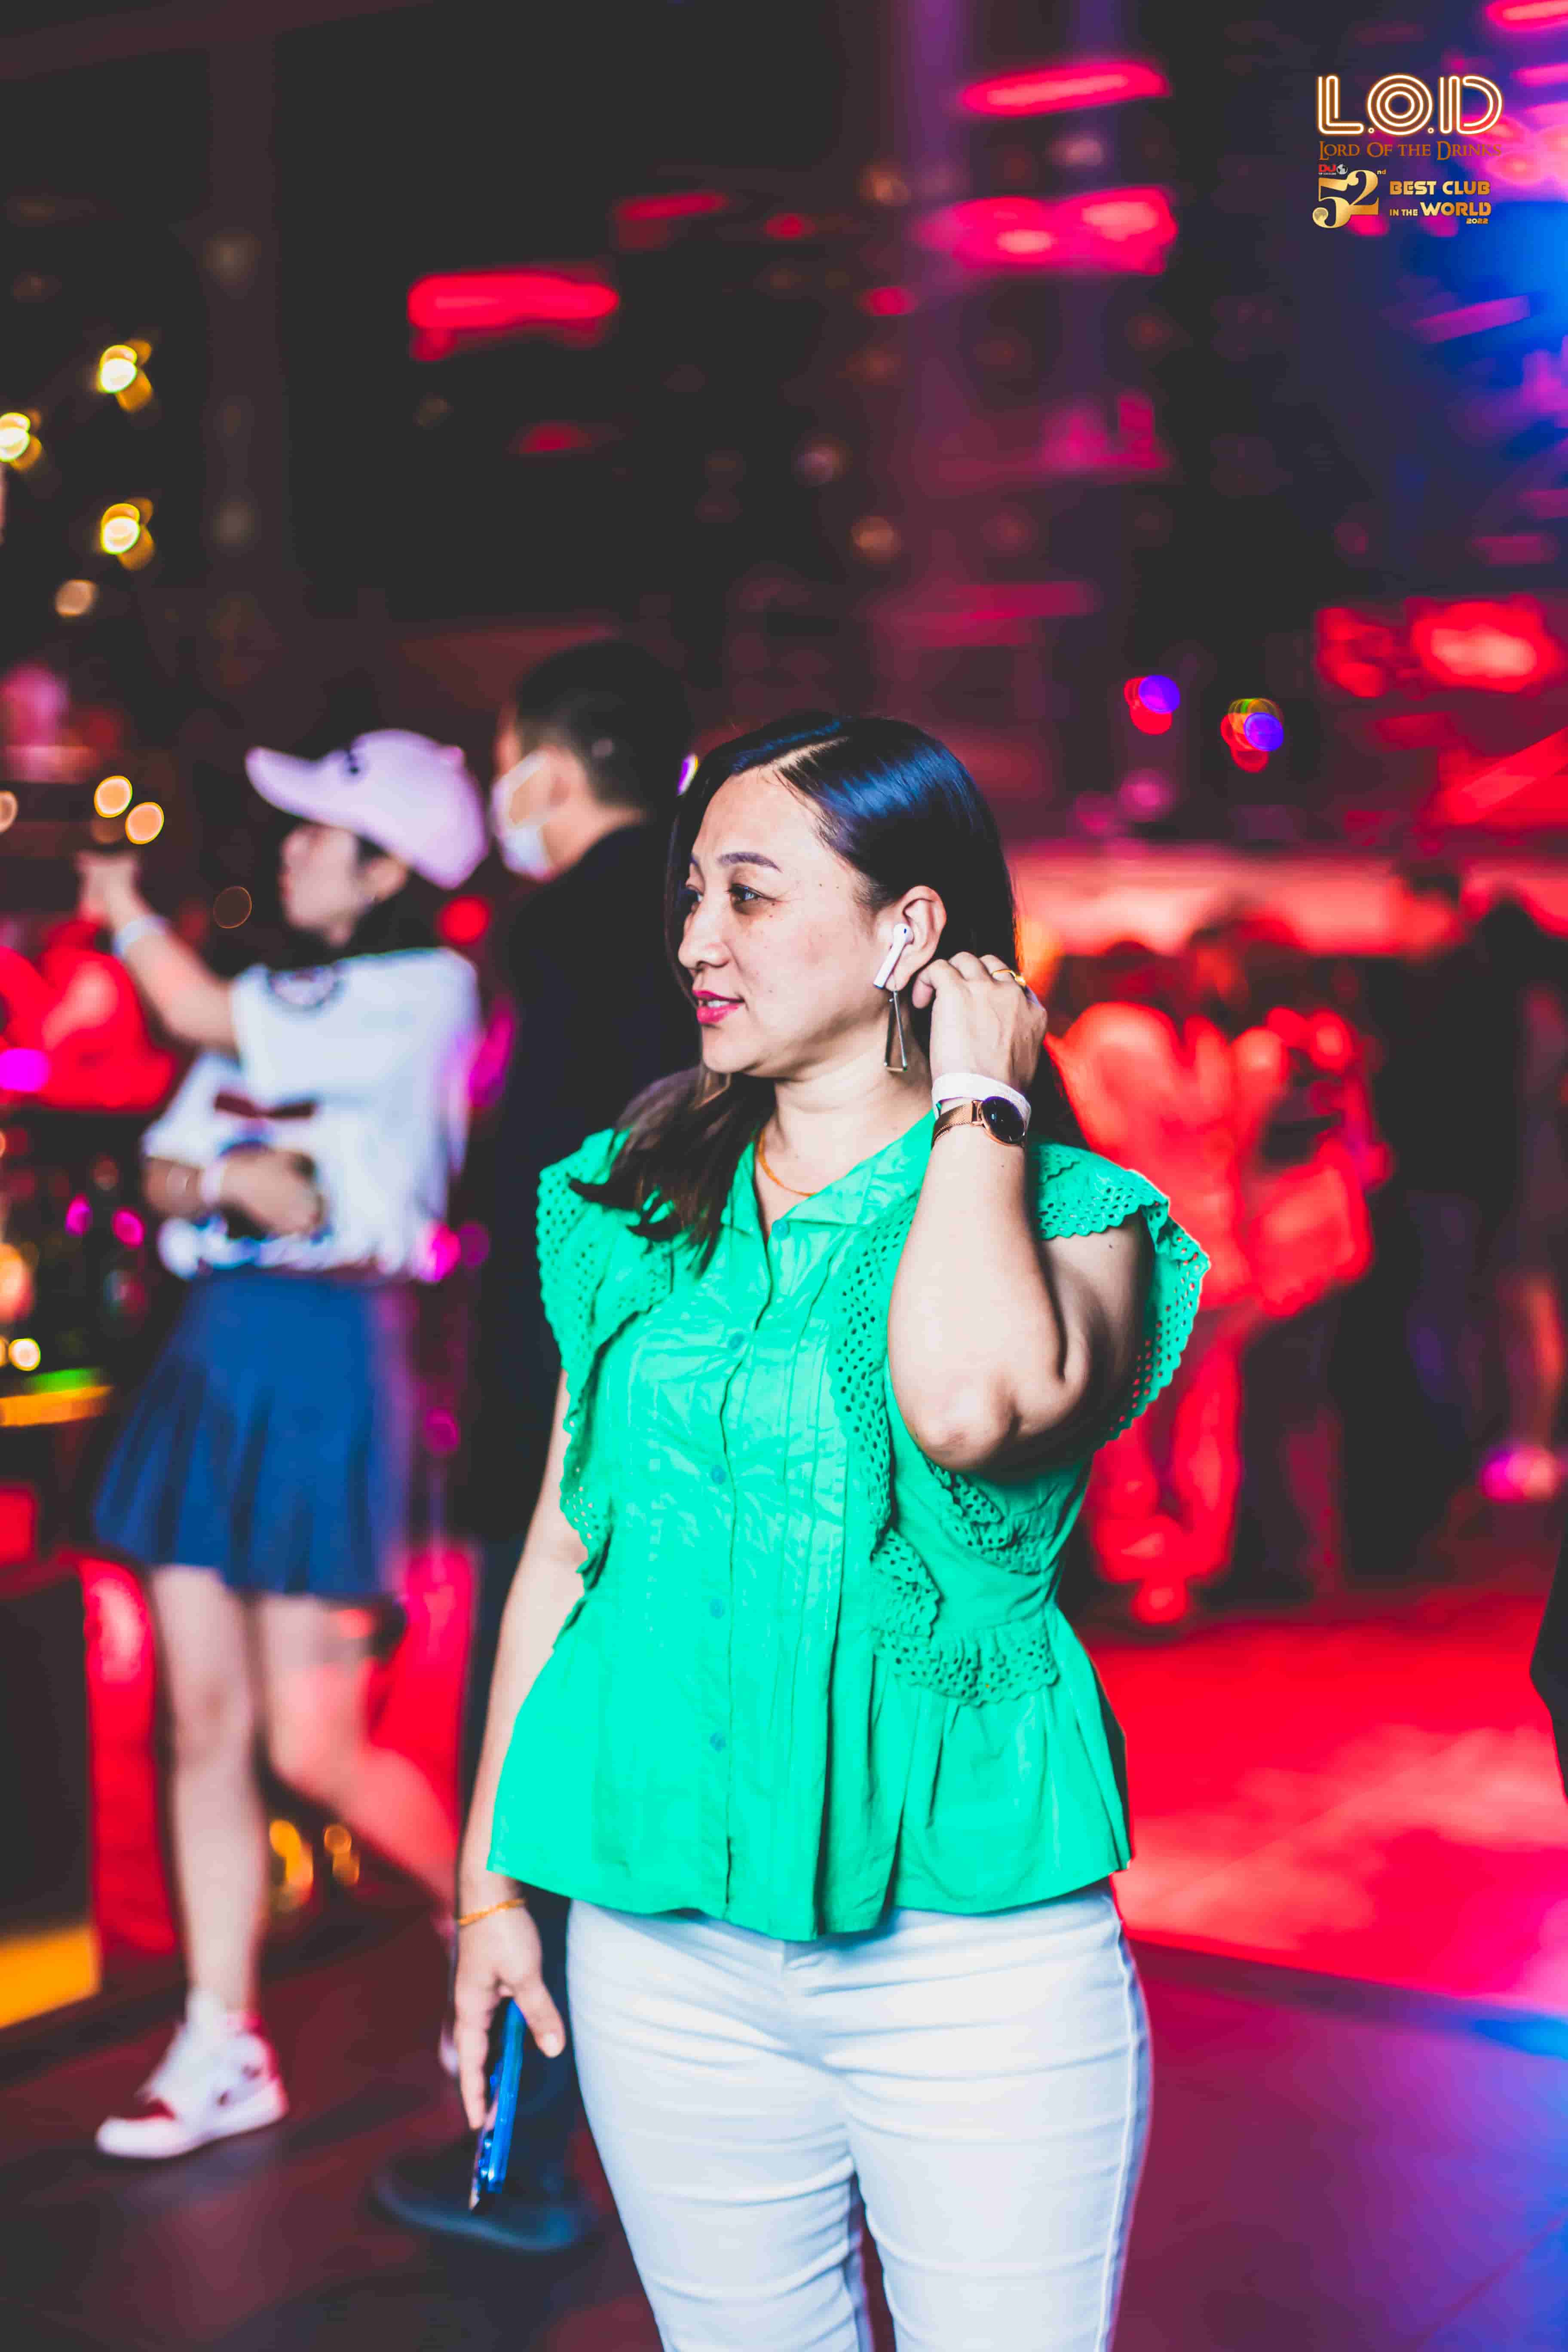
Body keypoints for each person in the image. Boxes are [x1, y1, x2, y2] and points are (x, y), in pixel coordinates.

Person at [451, 715, 1206, 2352]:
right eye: (691, 897)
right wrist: (490, 1891)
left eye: (748, 894)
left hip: (967, 1959)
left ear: (907, 928)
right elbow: (567, 1553)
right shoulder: (635, 1197)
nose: (694, 942)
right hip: (658, 1944)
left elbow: (971, 1404)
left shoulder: (1079, 1216)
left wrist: (981, 1099)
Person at [79, 729, 486, 2159]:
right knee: (197, 1721)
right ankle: (220, 2039)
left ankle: (489, 1927)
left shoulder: (424, 990)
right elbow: (167, 1163)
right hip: (218, 1348)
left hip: (327, 1354)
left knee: (313, 1745)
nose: (296, 848)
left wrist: (121, 910)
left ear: (391, 871)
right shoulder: (280, 1001)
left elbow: (199, 1023)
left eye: (323, 832)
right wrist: (232, 1181)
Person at [374, 640, 695, 2252]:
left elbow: (560, 1204)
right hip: (674, 1427)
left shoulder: (568, 931)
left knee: (529, 1785)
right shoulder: (687, 921)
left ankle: (517, 2157)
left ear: (549, 770)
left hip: (573, 1431)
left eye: (507, 758)